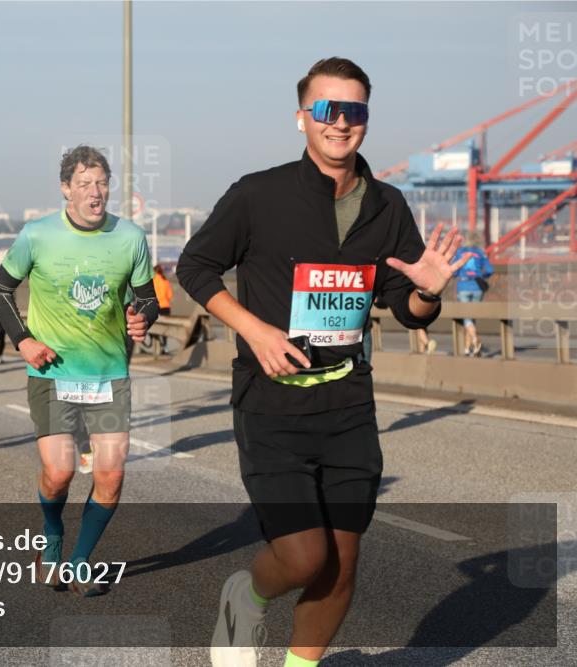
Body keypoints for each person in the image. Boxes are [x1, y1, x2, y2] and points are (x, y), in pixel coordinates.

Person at [176, 58, 469, 667]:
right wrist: (254, 330)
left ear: (366, 118)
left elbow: (407, 307)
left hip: (348, 403)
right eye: (326, 109)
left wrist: (428, 292)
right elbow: (195, 267)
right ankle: (246, 596)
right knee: (304, 557)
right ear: (302, 118)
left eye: (353, 110)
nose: (340, 122)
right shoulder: (257, 194)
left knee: (342, 563)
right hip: (271, 401)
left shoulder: (387, 206)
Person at [0, 145, 158, 596]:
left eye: (101, 182)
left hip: (109, 374)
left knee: (111, 475)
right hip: (53, 372)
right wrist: (24, 340)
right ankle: (52, 535)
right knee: (60, 472)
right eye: (84, 183)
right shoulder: (37, 234)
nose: (94, 191)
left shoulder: (130, 237)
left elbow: (148, 298)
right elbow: (1, 289)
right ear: (66, 189)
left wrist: (143, 317)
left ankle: (80, 562)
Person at [452, 231, 493, 357]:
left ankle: (475, 339)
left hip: (463, 286)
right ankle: (468, 348)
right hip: (477, 287)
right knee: (471, 317)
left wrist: (459, 274)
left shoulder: (460, 252)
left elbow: (454, 271)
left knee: (466, 317)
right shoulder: (480, 253)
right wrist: (481, 276)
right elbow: (489, 270)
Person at [152, 264, 174, 354]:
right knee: (165, 328)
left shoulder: (153, 280)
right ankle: (165, 347)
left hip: (157, 306)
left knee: (156, 327)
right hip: (166, 306)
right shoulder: (165, 280)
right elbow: (170, 295)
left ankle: (157, 347)